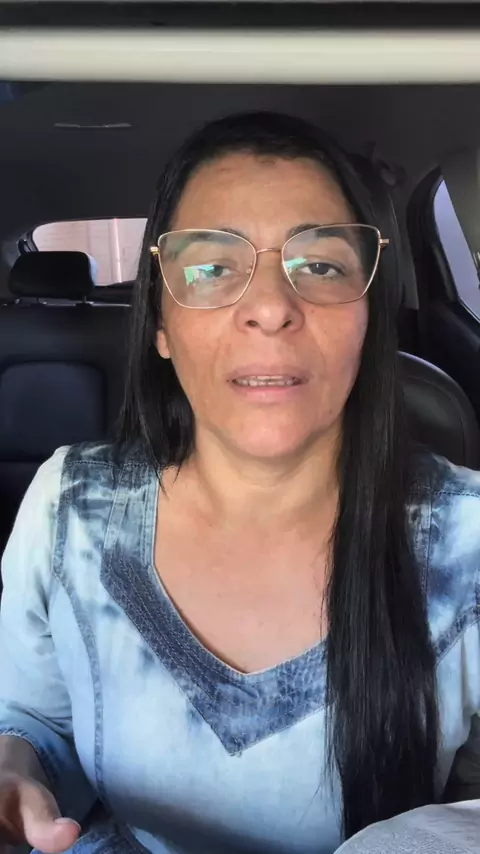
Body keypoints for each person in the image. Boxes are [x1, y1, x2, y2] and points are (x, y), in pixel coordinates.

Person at [0, 111, 479, 854]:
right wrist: (15, 769)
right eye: (211, 269)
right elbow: (34, 721)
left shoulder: (467, 539)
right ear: (160, 326)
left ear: (367, 317)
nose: (270, 308)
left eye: (321, 265)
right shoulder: (72, 509)